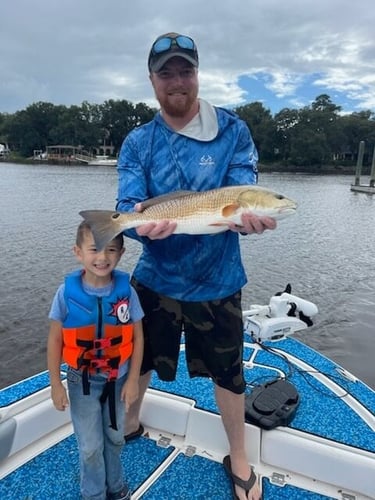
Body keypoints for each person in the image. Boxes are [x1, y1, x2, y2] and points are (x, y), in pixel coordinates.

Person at [116, 32, 276, 500]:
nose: (177, 81)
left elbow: (243, 192)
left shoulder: (233, 131)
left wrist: (249, 222)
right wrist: (137, 225)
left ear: (198, 73)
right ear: (152, 80)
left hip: (219, 280)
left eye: (185, 70)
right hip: (156, 278)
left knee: (229, 374)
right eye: (166, 73)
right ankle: (128, 421)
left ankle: (240, 455)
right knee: (139, 358)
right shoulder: (138, 142)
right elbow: (127, 207)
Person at [47, 221, 144, 500]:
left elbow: (138, 338)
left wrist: (134, 379)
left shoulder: (127, 292)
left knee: (115, 438)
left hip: (119, 378)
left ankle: (116, 486)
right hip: (82, 381)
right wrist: (55, 383)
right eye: (94, 249)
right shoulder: (65, 294)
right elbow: (55, 340)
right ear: (78, 252)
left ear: (121, 253)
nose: (102, 258)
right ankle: (93, 494)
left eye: (111, 250)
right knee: (90, 445)